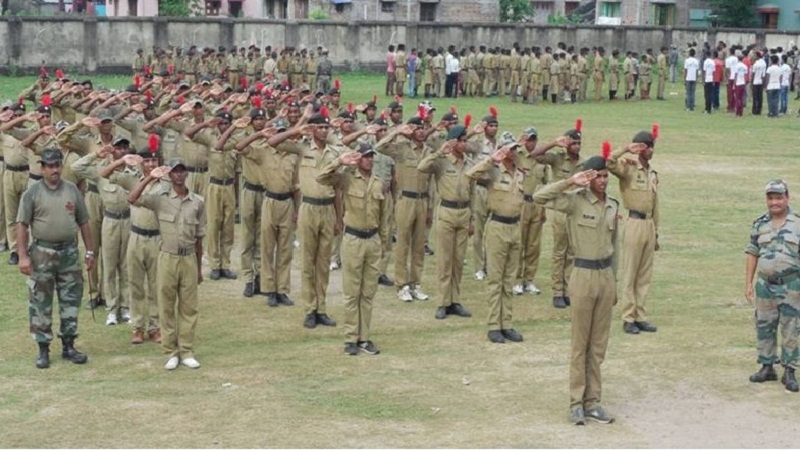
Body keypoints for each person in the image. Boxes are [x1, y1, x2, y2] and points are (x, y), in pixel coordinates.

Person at [534, 154, 619, 426]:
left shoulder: (612, 206)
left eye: (605, 176)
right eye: (598, 176)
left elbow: (615, 247)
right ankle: (576, 403)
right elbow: (539, 196)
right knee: (579, 344)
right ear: (589, 177)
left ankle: (593, 401)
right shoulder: (574, 201)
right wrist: (570, 181)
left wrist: (615, 283)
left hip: (605, 276)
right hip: (582, 274)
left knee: (598, 345)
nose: (603, 181)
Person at [17, 148, 94, 369]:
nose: (55, 170)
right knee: (41, 300)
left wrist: (89, 251)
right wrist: (22, 256)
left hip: (69, 253)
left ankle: (69, 345)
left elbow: (84, 221)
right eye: (50, 166)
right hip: (42, 253)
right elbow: (22, 225)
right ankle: (43, 348)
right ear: (42, 168)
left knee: (71, 299)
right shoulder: (32, 193)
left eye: (57, 165)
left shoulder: (72, 190)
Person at [128, 158, 206, 370]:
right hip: (167, 257)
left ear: (187, 174)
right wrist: (148, 178)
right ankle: (171, 351)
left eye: (182, 171)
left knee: (189, 307)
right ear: (169, 175)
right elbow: (132, 198)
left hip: (188, 258)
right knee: (166, 305)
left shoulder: (197, 202)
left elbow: (199, 239)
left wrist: (199, 269)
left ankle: (186, 350)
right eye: (175, 171)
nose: (179, 175)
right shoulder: (160, 199)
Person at [317, 143, 390, 356]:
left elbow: (385, 216)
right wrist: (339, 161)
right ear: (358, 159)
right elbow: (321, 178)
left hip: (372, 240)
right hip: (353, 240)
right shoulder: (347, 178)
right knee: (351, 293)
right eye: (365, 156)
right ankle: (350, 338)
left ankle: (364, 338)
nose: (369, 160)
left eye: (371, 156)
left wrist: (383, 243)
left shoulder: (378, 183)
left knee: (368, 293)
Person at [465, 135, 524, 344]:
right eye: (510, 149)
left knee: (509, 280)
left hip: (515, 227)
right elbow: (470, 175)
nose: (513, 153)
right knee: (495, 279)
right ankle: (493, 325)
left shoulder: (520, 173)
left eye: (515, 149)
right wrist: (491, 160)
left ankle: (506, 323)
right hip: (497, 226)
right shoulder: (493, 171)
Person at [745, 179, 800, 393]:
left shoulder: (797, 224)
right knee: (764, 326)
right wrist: (748, 283)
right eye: (770, 198)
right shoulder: (760, 224)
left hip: (791, 285)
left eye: (778, 197)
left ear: (787, 198)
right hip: (765, 285)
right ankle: (767, 366)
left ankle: (789, 371)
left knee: (791, 328)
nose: (774, 202)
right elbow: (752, 252)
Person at [417, 124, 474, 320]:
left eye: (466, 141)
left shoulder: (469, 163)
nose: (465, 144)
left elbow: (473, 192)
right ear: (453, 142)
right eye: (462, 141)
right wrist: (439, 152)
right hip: (447, 212)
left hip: (464, 212)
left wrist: (473, 219)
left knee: (458, 260)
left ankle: (455, 300)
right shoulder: (441, 162)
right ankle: (443, 302)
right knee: (445, 260)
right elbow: (421, 167)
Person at [607, 131, 659, 335]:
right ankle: (628, 317)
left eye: (652, 146)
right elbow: (609, 163)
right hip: (634, 222)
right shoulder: (628, 168)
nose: (650, 150)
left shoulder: (652, 173)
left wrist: (656, 231)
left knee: (644, 275)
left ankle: (640, 316)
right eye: (646, 146)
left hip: (648, 224)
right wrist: (625, 149)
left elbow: (656, 205)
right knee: (630, 273)